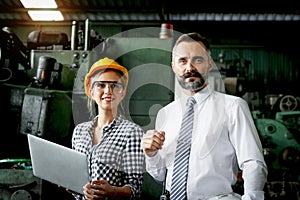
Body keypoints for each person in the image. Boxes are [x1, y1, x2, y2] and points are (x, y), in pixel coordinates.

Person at [141, 32, 268, 200]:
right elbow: (160, 175)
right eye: (183, 61)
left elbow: (253, 163)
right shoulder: (165, 114)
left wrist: (252, 197)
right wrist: (151, 154)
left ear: (210, 64)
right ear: (173, 67)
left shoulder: (233, 106)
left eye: (198, 60)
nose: (190, 68)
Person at [72, 57, 145, 200]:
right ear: (91, 92)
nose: (108, 91)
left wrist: (112, 191)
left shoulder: (132, 133)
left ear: (122, 93)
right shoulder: (79, 131)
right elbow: (76, 178)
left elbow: (135, 189)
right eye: (101, 85)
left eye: (115, 85)